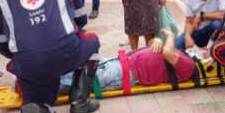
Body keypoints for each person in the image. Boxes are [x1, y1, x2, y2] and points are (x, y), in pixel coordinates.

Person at [59, 29, 195, 93]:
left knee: (81, 80)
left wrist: (170, 36)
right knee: (77, 67)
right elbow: (153, 45)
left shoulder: (188, 65)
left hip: (124, 73)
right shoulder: (178, 52)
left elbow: (166, 53)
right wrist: (158, 40)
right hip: (119, 62)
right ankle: (46, 77)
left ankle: (44, 89)